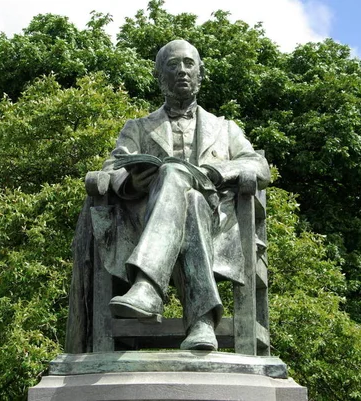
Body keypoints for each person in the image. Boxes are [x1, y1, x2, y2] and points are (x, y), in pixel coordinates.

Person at [97, 39, 270, 351]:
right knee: (182, 189)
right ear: (161, 76)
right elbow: (111, 169)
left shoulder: (225, 128)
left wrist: (222, 172)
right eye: (172, 65)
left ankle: (148, 288)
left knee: (182, 183)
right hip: (146, 223)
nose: (181, 70)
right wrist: (133, 183)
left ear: (200, 74)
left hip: (216, 219)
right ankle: (202, 323)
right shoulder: (138, 127)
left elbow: (259, 166)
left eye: (189, 64)